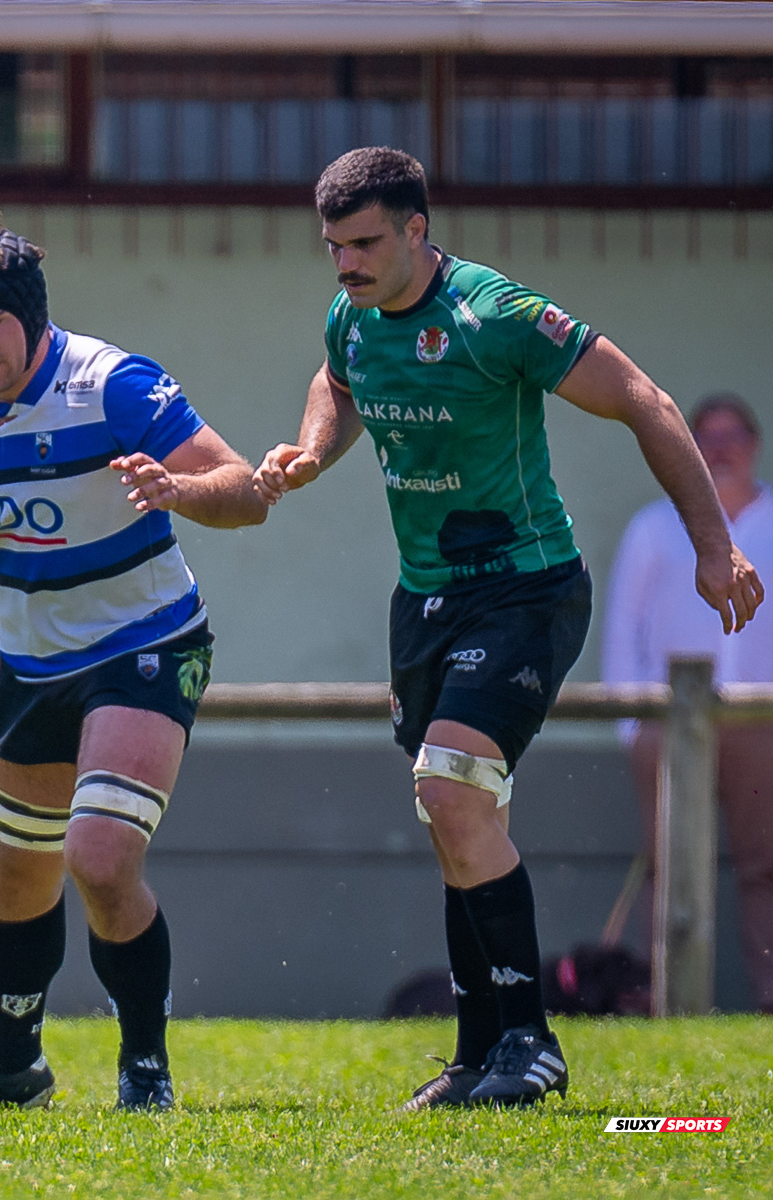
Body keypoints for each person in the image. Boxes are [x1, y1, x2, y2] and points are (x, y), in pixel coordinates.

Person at [253, 148, 762, 1108]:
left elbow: (644, 402)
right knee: (458, 816)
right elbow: (340, 377)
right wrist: (315, 449)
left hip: (527, 589)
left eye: (364, 244)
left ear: (417, 230)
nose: (346, 266)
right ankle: (479, 1054)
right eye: (333, 248)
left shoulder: (499, 317)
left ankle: (531, 1044)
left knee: (451, 789)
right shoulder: (351, 312)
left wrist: (712, 546)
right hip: (426, 600)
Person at [0, 210, 267, 1112]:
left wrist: (179, 488)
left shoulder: (115, 386)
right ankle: (10, 1065)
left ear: (32, 318)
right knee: (20, 869)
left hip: (143, 642)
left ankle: (144, 1071)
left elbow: (244, 492)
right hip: (33, 661)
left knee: (102, 857)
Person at [604, 392, 773, 1011]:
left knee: (765, 869)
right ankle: (658, 1001)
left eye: (734, 436)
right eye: (707, 437)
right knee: (666, 864)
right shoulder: (655, 527)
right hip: (666, 723)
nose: (722, 449)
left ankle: (769, 1003)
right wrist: (631, 725)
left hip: (762, 720)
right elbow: (623, 630)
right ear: (690, 450)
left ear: (754, 445)